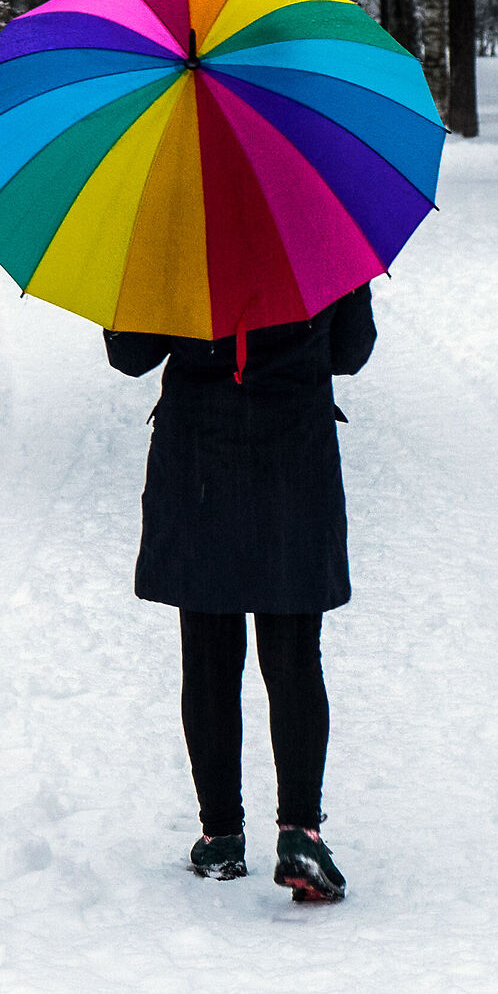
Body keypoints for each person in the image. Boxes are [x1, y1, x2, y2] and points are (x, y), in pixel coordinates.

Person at [103, 284, 375, 904]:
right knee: (294, 655)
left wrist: (123, 297)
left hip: (199, 460)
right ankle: (300, 829)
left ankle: (222, 837)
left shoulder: (171, 238)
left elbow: (132, 357)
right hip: (293, 459)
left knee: (207, 656)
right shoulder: (316, 228)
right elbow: (352, 352)